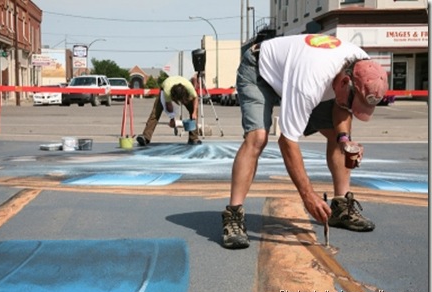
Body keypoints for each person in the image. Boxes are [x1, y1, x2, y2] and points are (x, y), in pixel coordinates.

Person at [222, 34, 388, 249]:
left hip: (301, 71)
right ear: (345, 82)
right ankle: (233, 215)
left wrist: (344, 140)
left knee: (339, 139)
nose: (352, 108)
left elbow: (342, 107)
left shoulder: (365, 67)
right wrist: (308, 195)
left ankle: (341, 207)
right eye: (352, 101)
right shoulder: (310, 82)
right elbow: (287, 142)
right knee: (258, 137)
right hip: (259, 69)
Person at [136, 75, 202, 146]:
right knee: (155, 112)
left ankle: (193, 138)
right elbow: (168, 106)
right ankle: (145, 137)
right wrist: (172, 118)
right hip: (164, 89)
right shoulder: (167, 91)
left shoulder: (189, 88)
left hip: (182, 89)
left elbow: (195, 98)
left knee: (194, 111)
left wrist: (194, 112)